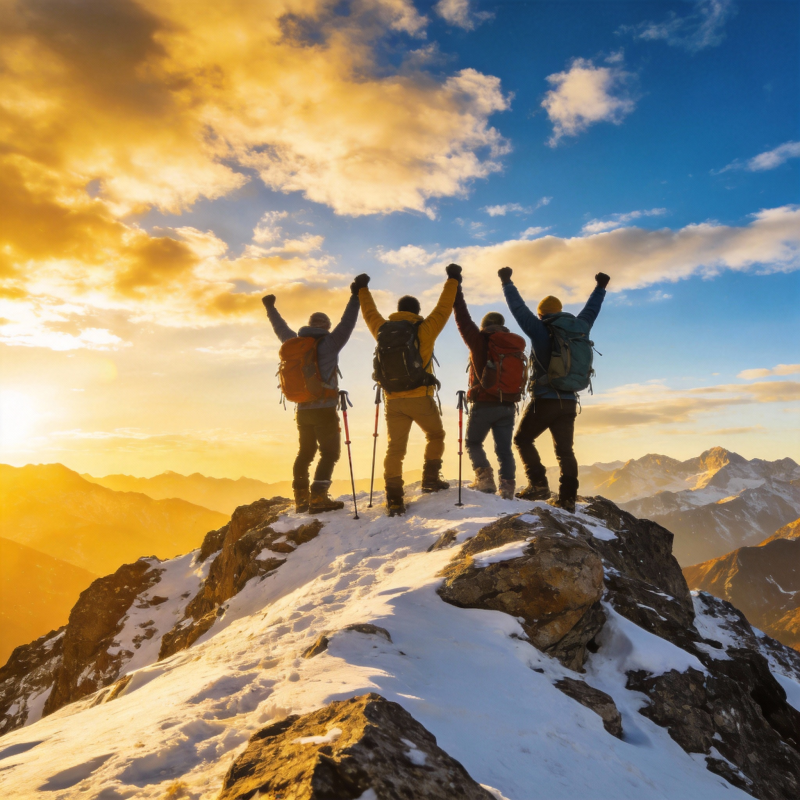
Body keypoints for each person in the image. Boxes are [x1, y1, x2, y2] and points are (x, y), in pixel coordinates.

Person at [498, 267, 610, 512]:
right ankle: (568, 498)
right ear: (560, 311)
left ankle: (538, 484)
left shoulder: (540, 330)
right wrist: (600, 287)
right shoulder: (580, 326)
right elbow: (592, 309)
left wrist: (507, 283)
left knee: (523, 439)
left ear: (541, 314)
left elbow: (519, 309)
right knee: (565, 451)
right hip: (569, 400)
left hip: (546, 399)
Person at [359, 266, 461, 515]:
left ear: (398, 310)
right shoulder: (424, 329)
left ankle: (394, 498)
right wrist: (453, 279)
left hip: (392, 400)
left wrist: (362, 288)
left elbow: (369, 312)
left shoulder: (382, 329)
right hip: (419, 397)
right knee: (435, 436)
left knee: (395, 449)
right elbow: (444, 307)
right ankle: (430, 480)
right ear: (416, 312)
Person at [263, 274, 369, 514]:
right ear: (327, 327)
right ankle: (318, 498)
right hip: (324, 408)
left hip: (301, 408)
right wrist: (356, 294)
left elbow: (279, 327)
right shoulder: (330, 344)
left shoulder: (294, 342)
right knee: (330, 452)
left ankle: (301, 499)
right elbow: (348, 321)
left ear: (309, 324)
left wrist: (270, 307)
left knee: (305, 453)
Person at [453, 280, 525, 500]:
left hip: (484, 402)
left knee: (473, 442)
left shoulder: (480, 342)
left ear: (484, 326)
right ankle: (508, 488)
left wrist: (456, 290)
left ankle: (485, 480)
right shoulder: (514, 345)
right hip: (508, 404)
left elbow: (463, 320)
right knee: (504, 449)